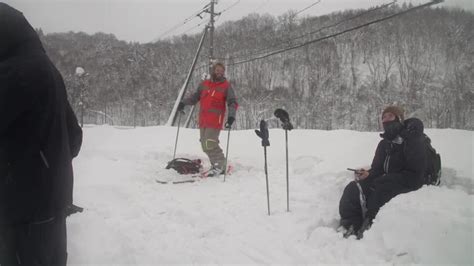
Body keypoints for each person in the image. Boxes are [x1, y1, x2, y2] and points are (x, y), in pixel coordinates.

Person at [0, 3, 83, 265]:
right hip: (51, 203)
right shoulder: (47, 69)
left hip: (19, 211)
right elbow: (74, 137)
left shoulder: (12, 73)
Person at [339, 106, 427, 239]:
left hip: (408, 180)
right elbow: (378, 169)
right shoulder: (384, 144)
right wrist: (368, 174)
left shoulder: (412, 140)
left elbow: (416, 172)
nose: (386, 120)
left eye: (390, 116)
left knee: (381, 187)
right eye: (383, 117)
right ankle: (352, 224)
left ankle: (370, 228)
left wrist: (387, 179)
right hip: (386, 181)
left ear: (399, 118)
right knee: (353, 188)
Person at [178, 62, 238, 177]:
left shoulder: (226, 86)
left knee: (210, 143)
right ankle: (216, 164)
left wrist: (231, 117)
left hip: (215, 120)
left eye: (221, 71)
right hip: (203, 120)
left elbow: (232, 102)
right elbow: (194, 97)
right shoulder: (204, 84)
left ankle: (220, 166)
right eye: (217, 70)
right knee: (204, 145)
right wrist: (183, 103)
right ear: (213, 71)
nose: (219, 73)